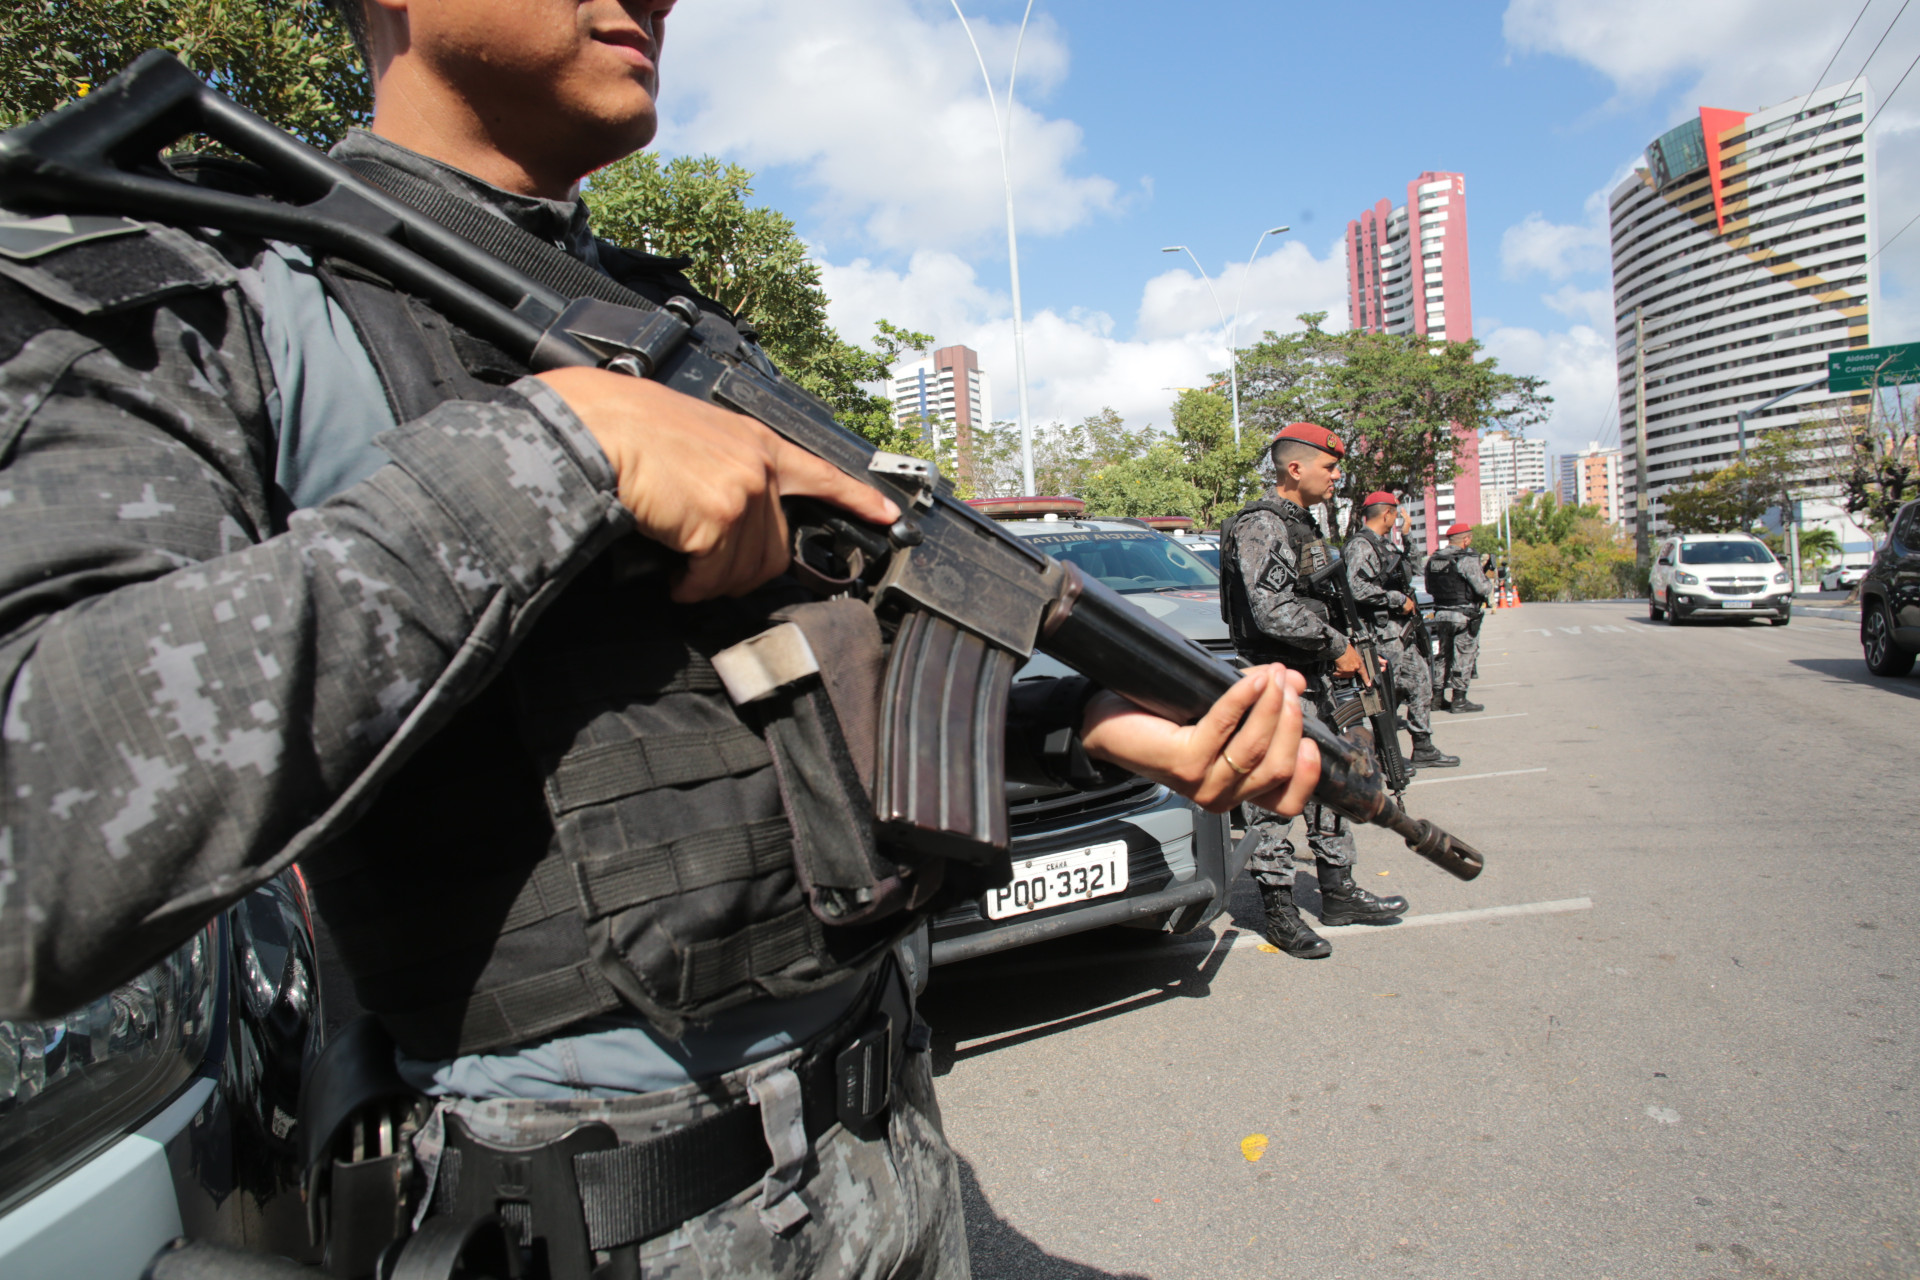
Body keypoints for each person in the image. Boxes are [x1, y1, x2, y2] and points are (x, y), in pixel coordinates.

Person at [0, 3, 1321, 1276]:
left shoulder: (670, 328)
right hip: (597, 1209)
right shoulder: (215, 301)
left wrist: (1076, 724)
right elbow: (35, 845)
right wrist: (563, 451)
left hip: (891, 1144)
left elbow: (804, 690)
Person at [1218, 425, 1411, 961]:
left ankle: (1338, 891)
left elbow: (1321, 597)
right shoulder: (1262, 524)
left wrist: (1355, 650)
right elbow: (1271, 610)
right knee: (1274, 797)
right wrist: (1337, 645)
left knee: (1333, 782)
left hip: (1316, 676)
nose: (1336, 477)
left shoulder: (1305, 524)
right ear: (1295, 468)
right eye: (1329, 468)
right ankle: (1279, 909)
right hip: (1275, 681)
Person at [1344, 493, 1457, 770]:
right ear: (1387, 514)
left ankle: (1423, 747)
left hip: (1402, 633)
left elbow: (1415, 567)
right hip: (1381, 634)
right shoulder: (1361, 545)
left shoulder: (1386, 545)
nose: (1397, 519)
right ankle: (1385, 757)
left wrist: (1407, 536)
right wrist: (1396, 599)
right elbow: (1355, 588)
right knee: (1385, 697)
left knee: (1420, 684)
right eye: (1396, 515)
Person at [1426, 521, 1496, 713]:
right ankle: (1459, 699)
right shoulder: (1466, 559)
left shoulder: (1434, 559)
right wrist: (1488, 578)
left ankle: (1437, 698)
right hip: (1463, 615)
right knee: (1463, 656)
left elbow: (1429, 588)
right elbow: (1482, 588)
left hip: (1441, 614)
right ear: (1465, 540)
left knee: (1443, 656)